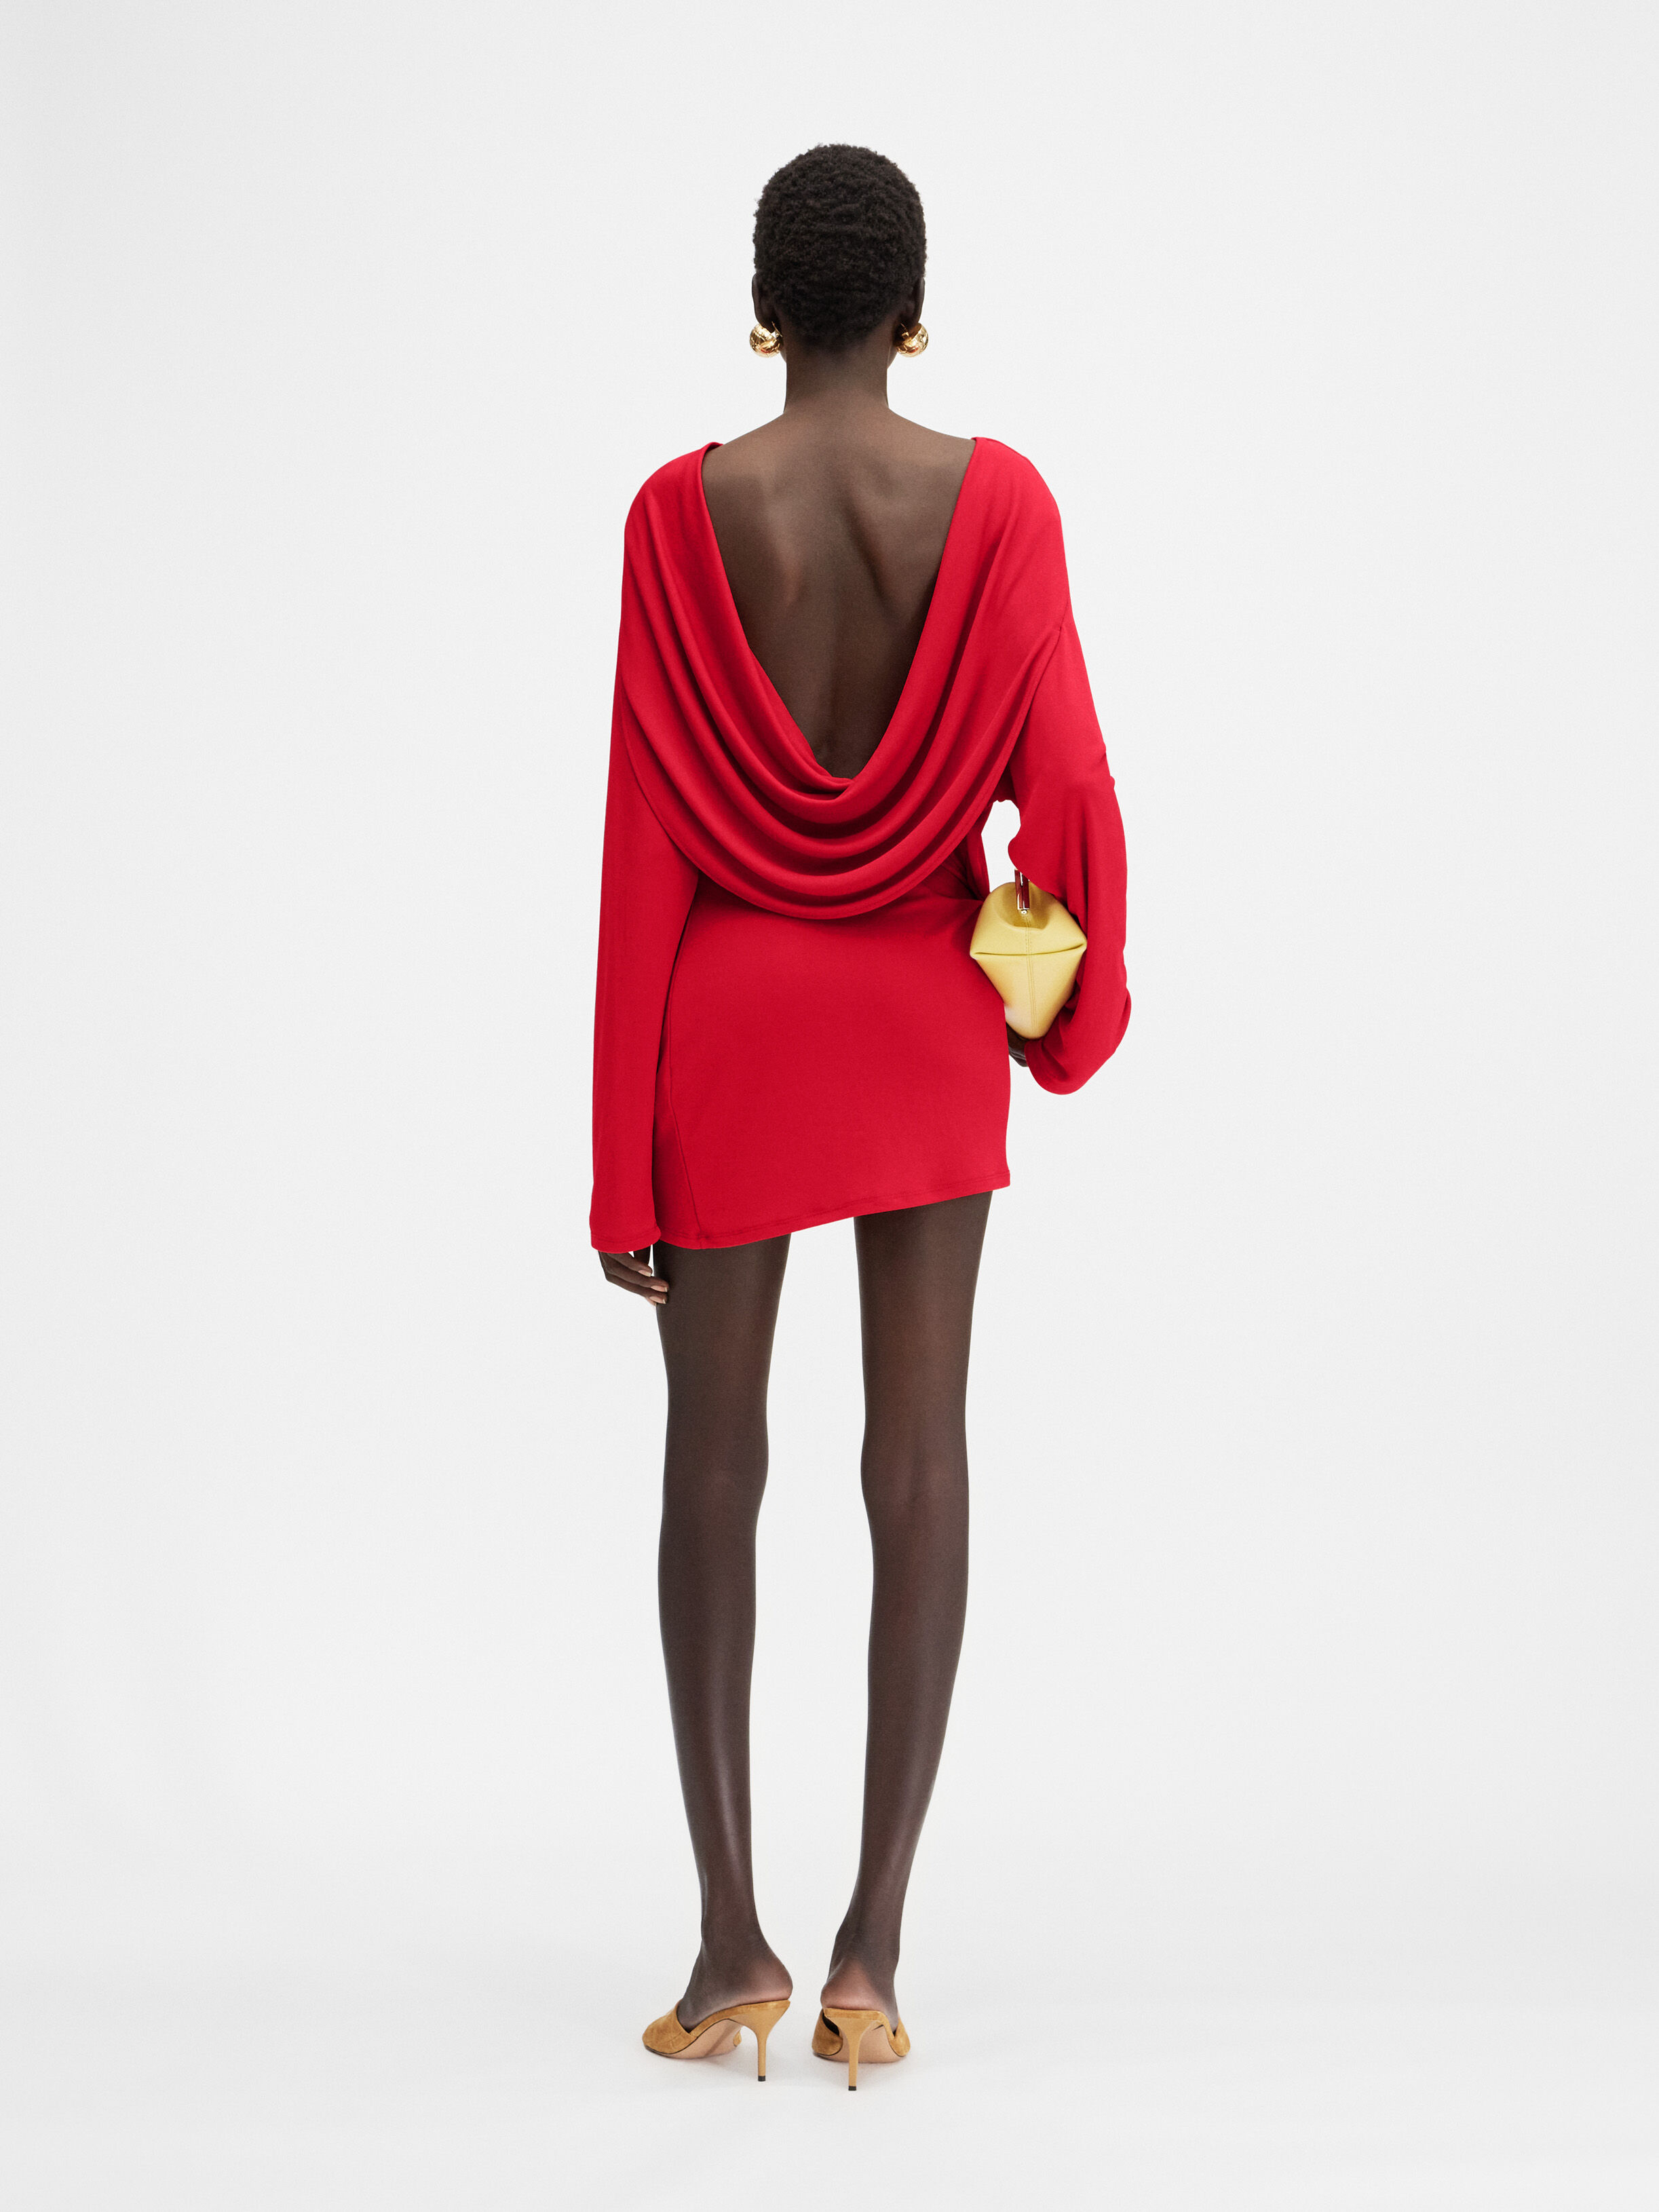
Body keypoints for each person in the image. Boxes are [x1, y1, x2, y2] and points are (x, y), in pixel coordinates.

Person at [590, 143, 1130, 2089]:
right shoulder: (1003, 505)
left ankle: (727, 1940)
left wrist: (618, 1166)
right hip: (921, 1014)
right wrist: (1058, 1008)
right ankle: (872, 1956)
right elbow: (1068, 796)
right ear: (912, 310)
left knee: (709, 1466)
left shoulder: (679, 514)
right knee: (920, 1458)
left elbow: (644, 848)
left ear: (764, 310)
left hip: (728, 1023)